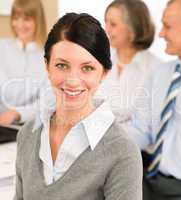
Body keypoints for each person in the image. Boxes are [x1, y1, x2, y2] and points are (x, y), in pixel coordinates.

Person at [14, 12, 143, 200]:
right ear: (47, 66)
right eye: (62, 65)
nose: (73, 81)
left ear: (104, 73)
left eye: (87, 68)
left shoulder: (122, 152)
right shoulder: (27, 135)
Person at [132, 0, 181, 199]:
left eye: (167, 27)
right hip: (147, 178)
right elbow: (141, 129)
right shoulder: (160, 73)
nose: (160, 34)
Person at [95, 0, 162, 134]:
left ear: (133, 29)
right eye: (106, 22)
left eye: (113, 24)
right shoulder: (98, 60)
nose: (106, 29)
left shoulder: (156, 69)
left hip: (133, 150)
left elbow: (148, 128)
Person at [0, 0, 48, 126]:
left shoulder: (50, 56)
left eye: (26, 19)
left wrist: (17, 113)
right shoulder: (2, 47)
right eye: (16, 18)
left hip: (31, 127)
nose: (19, 25)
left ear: (38, 20)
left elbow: (48, 100)